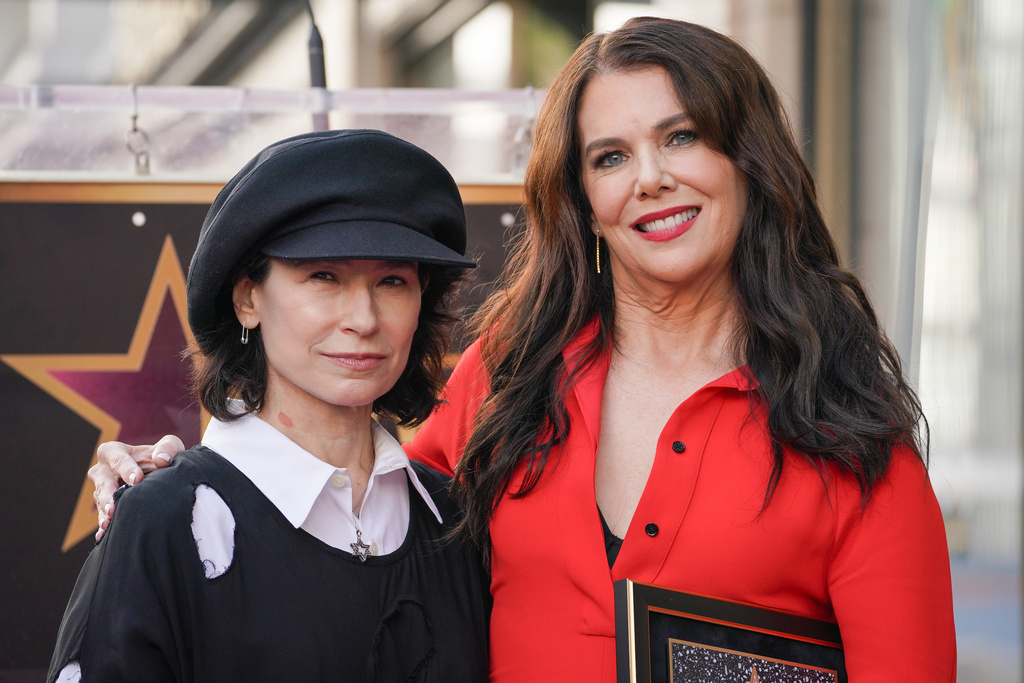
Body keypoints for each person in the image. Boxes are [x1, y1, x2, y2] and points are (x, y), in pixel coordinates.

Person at [88, 17, 956, 681]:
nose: (650, 177)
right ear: (583, 201)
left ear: (748, 161)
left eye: (682, 136)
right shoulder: (510, 374)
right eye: (610, 157)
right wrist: (175, 483)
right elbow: (349, 505)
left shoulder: (852, 439)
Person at [49, 129, 489, 682]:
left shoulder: (459, 518)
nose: (364, 319)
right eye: (324, 276)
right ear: (247, 298)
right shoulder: (163, 523)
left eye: (393, 281)